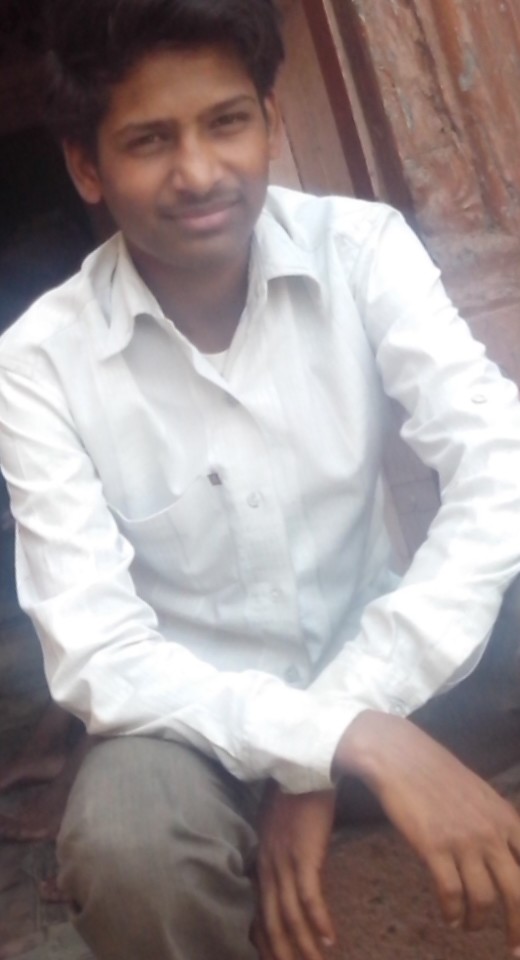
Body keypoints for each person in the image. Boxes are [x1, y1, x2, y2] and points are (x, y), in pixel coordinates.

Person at [1, 1, 520, 957]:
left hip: (387, 669)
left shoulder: (360, 249)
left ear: (271, 122)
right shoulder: (38, 364)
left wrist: (346, 718)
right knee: (128, 843)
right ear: (86, 166)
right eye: (150, 140)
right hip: (191, 734)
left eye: (227, 122)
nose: (200, 171)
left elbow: (500, 466)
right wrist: (340, 741)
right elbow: (100, 653)